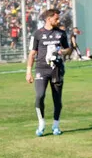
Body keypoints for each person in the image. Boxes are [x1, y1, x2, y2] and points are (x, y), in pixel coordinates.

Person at [26, 8, 71, 136]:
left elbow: (68, 49)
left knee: (57, 99)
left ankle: (56, 125)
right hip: (41, 69)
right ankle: (41, 123)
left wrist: (62, 52)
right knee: (40, 96)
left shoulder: (61, 33)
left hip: (57, 69)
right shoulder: (37, 34)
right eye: (56, 18)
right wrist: (28, 71)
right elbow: (32, 53)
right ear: (48, 19)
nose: (58, 20)